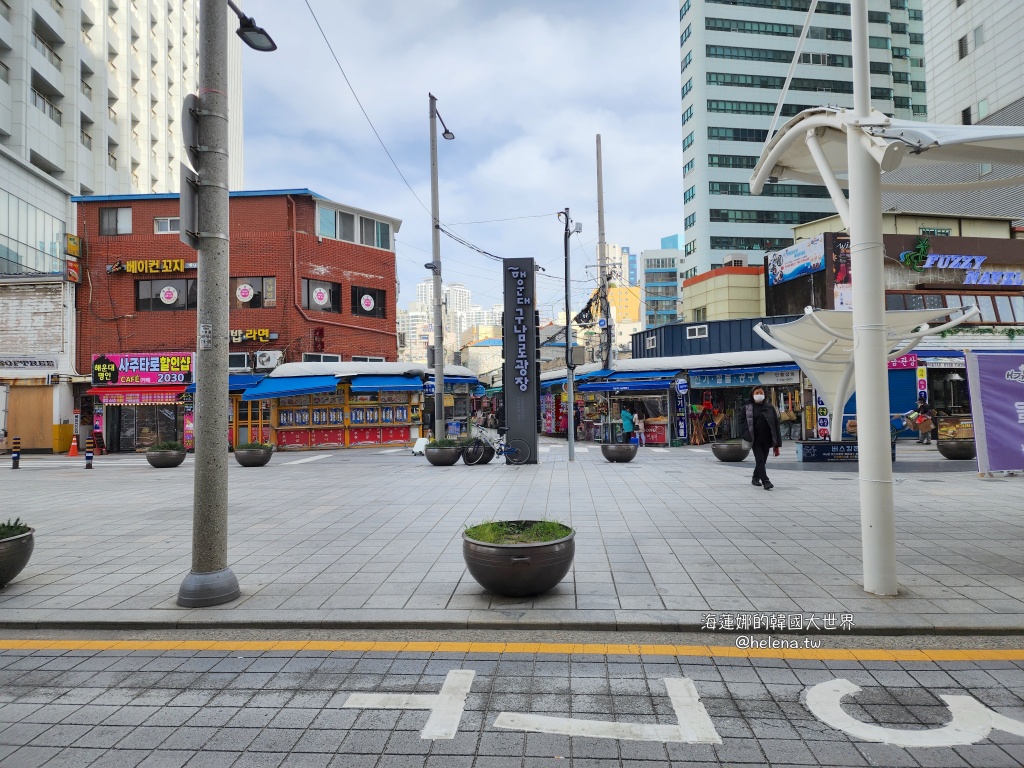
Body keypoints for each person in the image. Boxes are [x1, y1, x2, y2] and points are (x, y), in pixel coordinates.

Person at [741, 386, 782, 490]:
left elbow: (775, 425)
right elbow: (741, 422)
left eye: (761, 393)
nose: (759, 395)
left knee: (763, 460)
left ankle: (755, 477)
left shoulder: (769, 407)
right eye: (757, 393)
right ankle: (766, 481)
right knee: (759, 459)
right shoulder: (746, 408)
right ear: (752, 394)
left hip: (767, 439)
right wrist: (745, 434)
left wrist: (777, 442)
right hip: (755, 439)